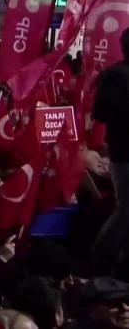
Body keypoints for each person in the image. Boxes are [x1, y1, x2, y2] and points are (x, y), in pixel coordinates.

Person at [92, 28, 129, 273]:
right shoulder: (115, 75)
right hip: (125, 152)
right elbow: (101, 112)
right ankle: (101, 253)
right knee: (126, 208)